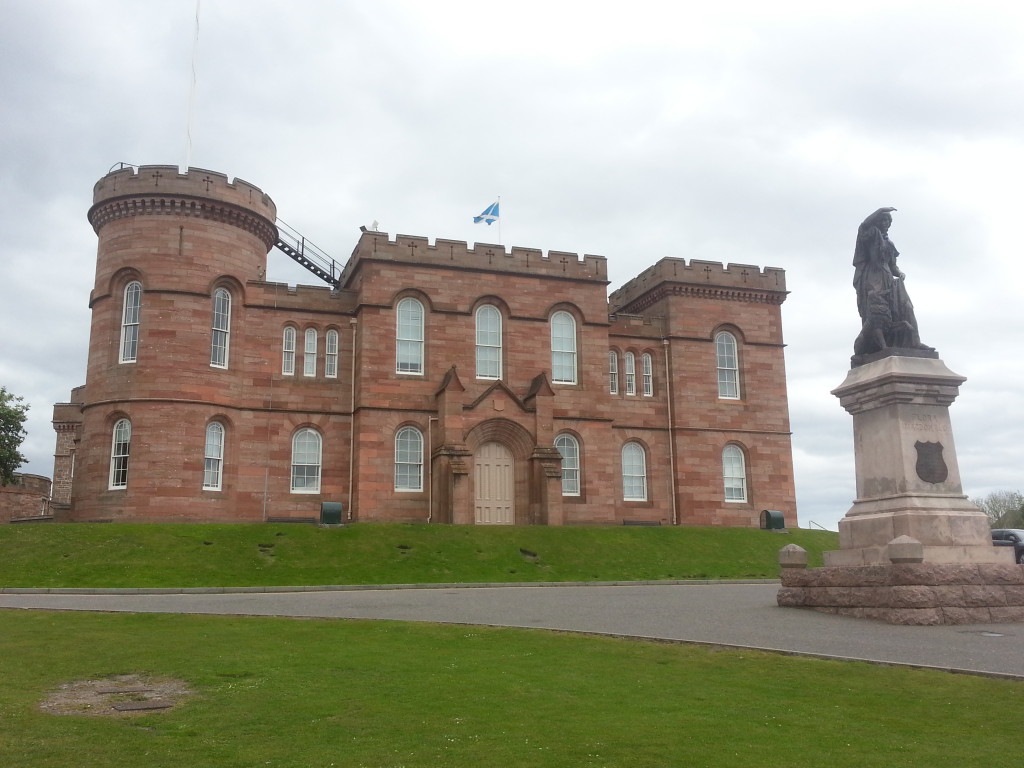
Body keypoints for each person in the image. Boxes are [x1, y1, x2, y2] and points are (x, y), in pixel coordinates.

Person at [852, 207, 932, 356]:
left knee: (906, 307)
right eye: (882, 220)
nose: (885, 223)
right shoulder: (870, 235)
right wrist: (880, 210)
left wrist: (899, 272)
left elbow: (892, 265)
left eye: (888, 221)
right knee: (876, 310)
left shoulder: (889, 243)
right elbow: (864, 225)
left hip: (889, 277)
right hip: (873, 277)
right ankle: (879, 345)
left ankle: (914, 341)